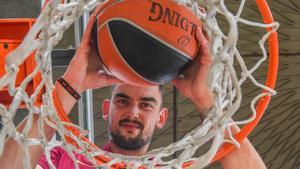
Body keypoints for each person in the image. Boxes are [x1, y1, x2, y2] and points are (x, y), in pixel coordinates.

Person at [0, 13, 267, 169]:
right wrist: (73, 82)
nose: (133, 112)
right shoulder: (65, 158)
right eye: (123, 100)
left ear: (161, 117)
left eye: (147, 104)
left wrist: (205, 100)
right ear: (107, 109)